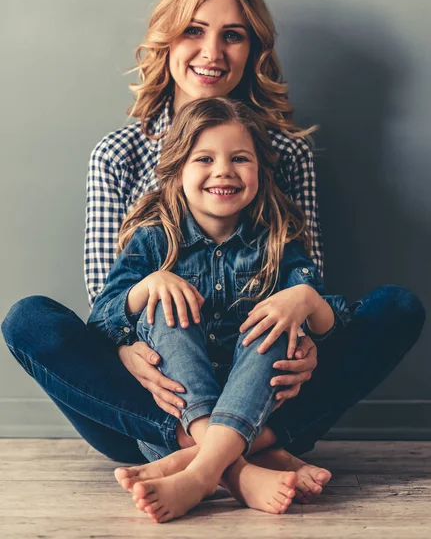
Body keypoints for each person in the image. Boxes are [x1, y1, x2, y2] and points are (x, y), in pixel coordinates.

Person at [1, 0, 425, 509]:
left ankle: (203, 461)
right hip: (154, 398)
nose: (212, 52)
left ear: (254, 50)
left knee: (397, 307)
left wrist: (310, 338)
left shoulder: (286, 152)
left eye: (233, 35)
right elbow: (103, 308)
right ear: (167, 40)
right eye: (194, 30)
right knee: (29, 318)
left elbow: (307, 289)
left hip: (270, 384)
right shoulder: (119, 154)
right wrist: (131, 350)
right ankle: (234, 462)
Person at [88, 96, 352, 522]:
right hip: (173, 416)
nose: (223, 170)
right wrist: (144, 288)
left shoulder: (277, 242)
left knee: (276, 324)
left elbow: (334, 322)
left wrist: (305, 300)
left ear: (261, 173)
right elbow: (100, 321)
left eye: (240, 158)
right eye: (204, 158)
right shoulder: (153, 240)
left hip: (253, 401)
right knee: (162, 308)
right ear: (176, 172)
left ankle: (196, 472)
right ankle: (242, 465)